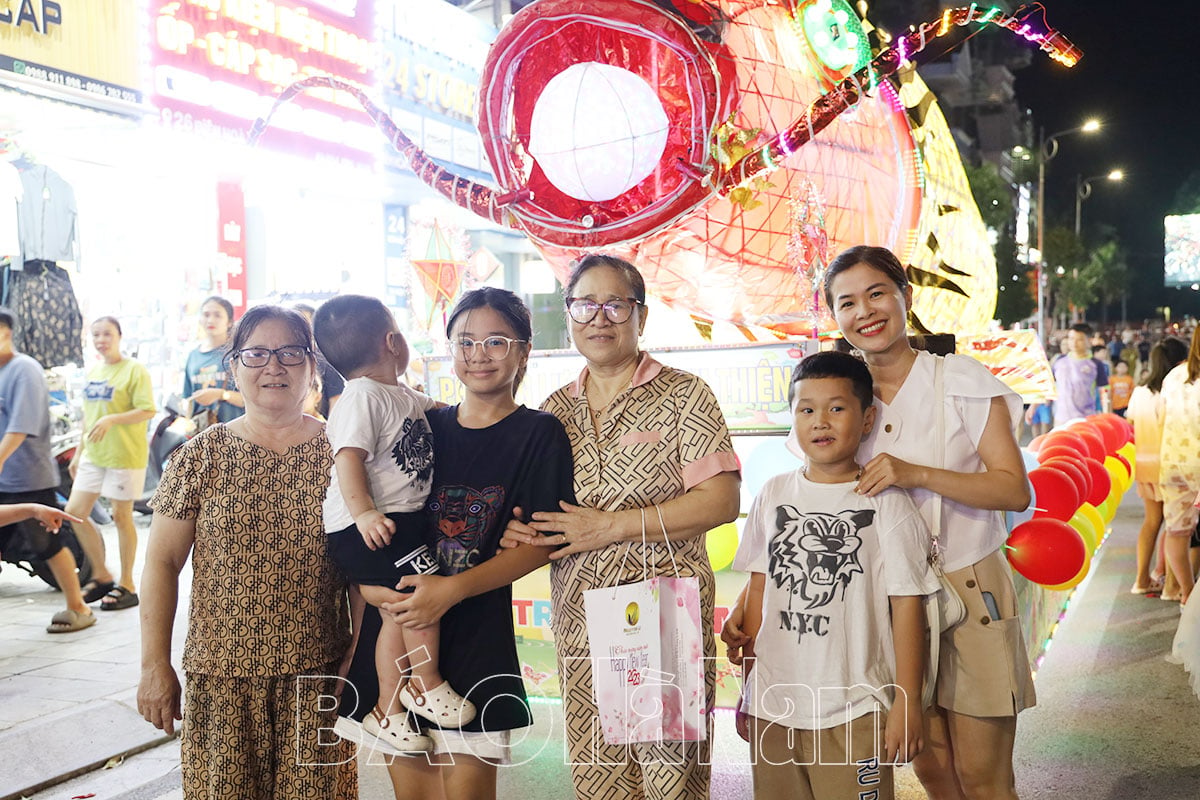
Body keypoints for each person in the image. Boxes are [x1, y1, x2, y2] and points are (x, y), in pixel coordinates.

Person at [727, 246, 1033, 800]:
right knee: (933, 768)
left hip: (965, 585)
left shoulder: (956, 378)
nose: (865, 311)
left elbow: (1013, 487)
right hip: (879, 604)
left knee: (984, 776)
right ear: (835, 317)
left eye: (876, 294)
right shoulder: (842, 391)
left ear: (904, 297)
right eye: (847, 303)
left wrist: (915, 473)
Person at [502, 254, 741, 799]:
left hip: (663, 613)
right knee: (598, 778)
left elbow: (721, 501)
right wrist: (518, 533)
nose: (600, 317)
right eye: (585, 304)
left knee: (669, 779)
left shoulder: (685, 395)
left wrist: (610, 527)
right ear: (569, 315)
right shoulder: (551, 412)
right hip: (581, 618)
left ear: (641, 317)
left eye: (616, 304)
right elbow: (540, 517)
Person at [342, 287, 575, 799]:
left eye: (496, 341)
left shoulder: (540, 433)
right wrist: (370, 586)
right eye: (465, 341)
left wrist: (452, 590)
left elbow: (539, 542)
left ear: (524, 350)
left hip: (474, 635)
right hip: (397, 632)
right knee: (414, 792)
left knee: (468, 791)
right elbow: (364, 503)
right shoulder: (423, 426)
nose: (479, 354)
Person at [137, 305, 357, 798]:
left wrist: (357, 658)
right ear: (233, 367)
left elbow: (366, 572)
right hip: (222, 679)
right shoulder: (198, 457)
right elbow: (162, 564)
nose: (273, 367)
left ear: (313, 368)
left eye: (290, 353)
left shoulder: (345, 454)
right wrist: (155, 665)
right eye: (256, 353)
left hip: (317, 678)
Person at [726, 351, 935, 800]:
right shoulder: (773, 492)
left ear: (867, 419)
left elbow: (907, 605)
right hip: (775, 706)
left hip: (853, 709)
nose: (820, 421)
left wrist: (907, 702)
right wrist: (748, 675)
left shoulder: (886, 503)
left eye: (836, 408)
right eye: (806, 410)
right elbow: (762, 582)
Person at [313, 294, 474, 753]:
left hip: (389, 523)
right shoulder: (361, 398)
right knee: (422, 593)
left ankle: (386, 710)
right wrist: (364, 513)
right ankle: (424, 683)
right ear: (393, 341)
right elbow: (348, 459)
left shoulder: (398, 393)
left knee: (394, 613)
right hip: (367, 525)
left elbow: (442, 411)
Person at [0, 306, 94, 633]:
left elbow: (19, 427)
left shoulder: (24, 369)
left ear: (6, 333)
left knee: (46, 544)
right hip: (4, 477)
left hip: (26, 474)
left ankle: (79, 607)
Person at [65, 316, 156, 611]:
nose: (101, 340)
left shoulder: (134, 370)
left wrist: (113, 418)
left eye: (107, 334)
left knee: (121, 516)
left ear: (119, 336)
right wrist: (79, 452)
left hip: (125, 455)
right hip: (94, 454)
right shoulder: (94, 372)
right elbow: (89, 418)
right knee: (75, 512)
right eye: (96, 335)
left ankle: (127, 583)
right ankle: (102, 573)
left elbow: (147, 410)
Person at [1126, 337, 1189, 595]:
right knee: (1177, 527)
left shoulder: (1140, 391)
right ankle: (1173, 587)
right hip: (1171, 465)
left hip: (1145, 464)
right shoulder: (1174, 390)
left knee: (1151, 522)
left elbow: (1130, 421)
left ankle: (1141, 580)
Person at [1158, 326, 1200, 607]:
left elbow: (1162, 416)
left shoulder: (1175, 375)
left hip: (1172, 462)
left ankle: (1187, 593)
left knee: (1176, 530)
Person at [183, 296, 243, 426]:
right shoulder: (193, 356)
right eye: (206, 315)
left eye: (218, 315)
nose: (211, 320)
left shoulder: (238, 353)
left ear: (229, 322)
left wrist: (222, 394)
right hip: (201, 435)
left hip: (234, 434)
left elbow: (252, 399)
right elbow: (187, 398)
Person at [294, 302, 344, 418]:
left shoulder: (324, 360)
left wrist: (329, 431)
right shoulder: (280, 358)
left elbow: (336, 398)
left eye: (305, 324)